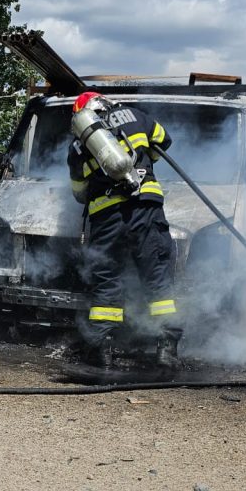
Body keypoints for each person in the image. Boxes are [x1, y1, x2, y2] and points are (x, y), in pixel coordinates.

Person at [68, 91, 182, 369]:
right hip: (146, 209)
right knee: (157, 277)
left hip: (107, 218)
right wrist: (142, 161)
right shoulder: (137, 116)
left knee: (107, 281)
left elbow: (79, 193)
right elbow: (165, 142)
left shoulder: (78, 146)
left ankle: (102, 351)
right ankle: (166, 348)